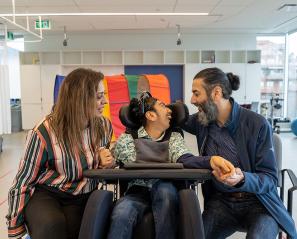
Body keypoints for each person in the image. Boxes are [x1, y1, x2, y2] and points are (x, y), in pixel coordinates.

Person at [182, 67, 297, 239]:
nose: (192, 100)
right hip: (221, 203)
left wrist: (242, 178)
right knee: (195, 235)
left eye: (196, 93)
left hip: (259, 203)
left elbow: (270, 179)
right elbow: (177, 118)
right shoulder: (202, 120)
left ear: (216, 93)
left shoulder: (257, 124)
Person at [107, 91, 233, 239]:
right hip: (137, 192)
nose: (169, 110)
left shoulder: (173, 137)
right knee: (121, 212)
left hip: (164, 188)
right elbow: (111, 160)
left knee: (165, 192)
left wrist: (210, 160)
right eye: (163, 106)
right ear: (151, 115)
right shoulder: (128, 139)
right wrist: (105, 159)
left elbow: (185, 159)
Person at [6, 68, 115, 239]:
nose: (105, 101)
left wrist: (107, 161)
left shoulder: (104, 127)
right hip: (49, 193)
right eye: (99, 96)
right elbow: (22, 181)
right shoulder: (44, 132)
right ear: (80, 98)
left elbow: (108, 162)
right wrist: (15, 230)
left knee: (78, 230)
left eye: (104, 95)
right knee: (52, 226)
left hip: (83, 195)